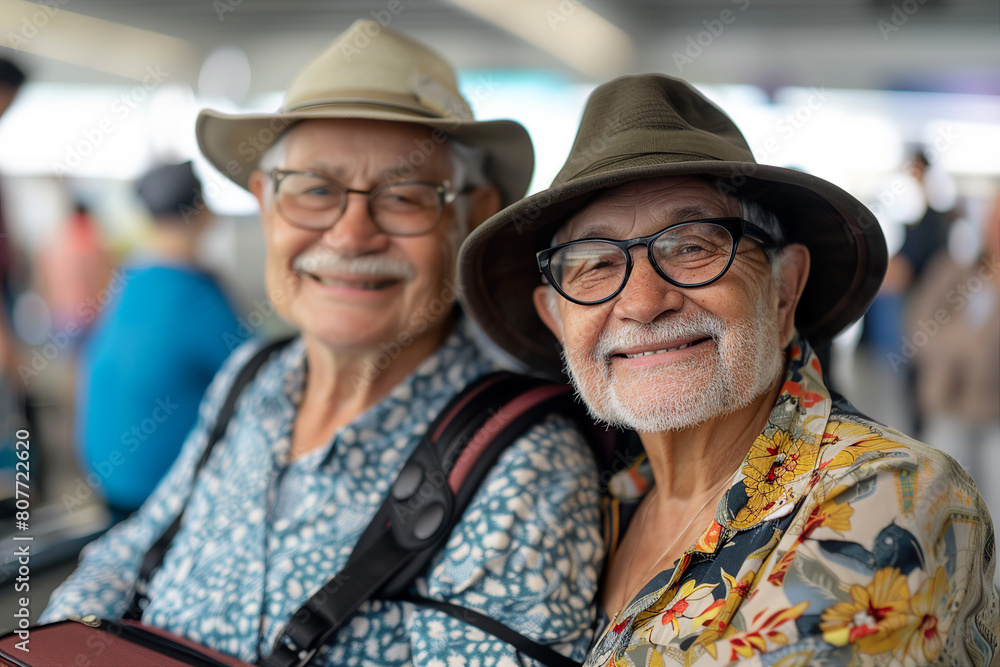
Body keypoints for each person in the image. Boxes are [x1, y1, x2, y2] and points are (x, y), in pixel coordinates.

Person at [41, 20, 603, 666]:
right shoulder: (251, 376)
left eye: (404, 195)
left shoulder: (521, 456)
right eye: (314, 190)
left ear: (471, 216)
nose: (350, 233)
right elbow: (127, 553)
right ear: (265, 203)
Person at [459, 74, 999, 665]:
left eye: (692, 246)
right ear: (557, 320)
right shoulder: (595, 504)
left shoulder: (887, 496)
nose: (642, 303)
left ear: (783, 290)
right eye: (593, 263)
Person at [74, 161, 241, 519]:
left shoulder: (130, 280)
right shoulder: (194, 294)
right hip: (155, 493)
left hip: (105, 475)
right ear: (204, 211)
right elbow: (257, 371)